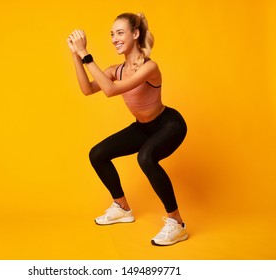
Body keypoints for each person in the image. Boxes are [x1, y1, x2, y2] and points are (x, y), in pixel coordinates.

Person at [67, 12, 188, 246]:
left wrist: (85, 54)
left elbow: (111, 91)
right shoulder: (116, 70)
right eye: (112, 34)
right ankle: (122, 207)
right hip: (142, 127)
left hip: (169, 124)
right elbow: (87, 89)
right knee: (98, 154)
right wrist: (75, 54)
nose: (114, 38)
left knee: (146, 158)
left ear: (135, 34)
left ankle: (177, 223)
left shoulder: (149, 67)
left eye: (120, 32)